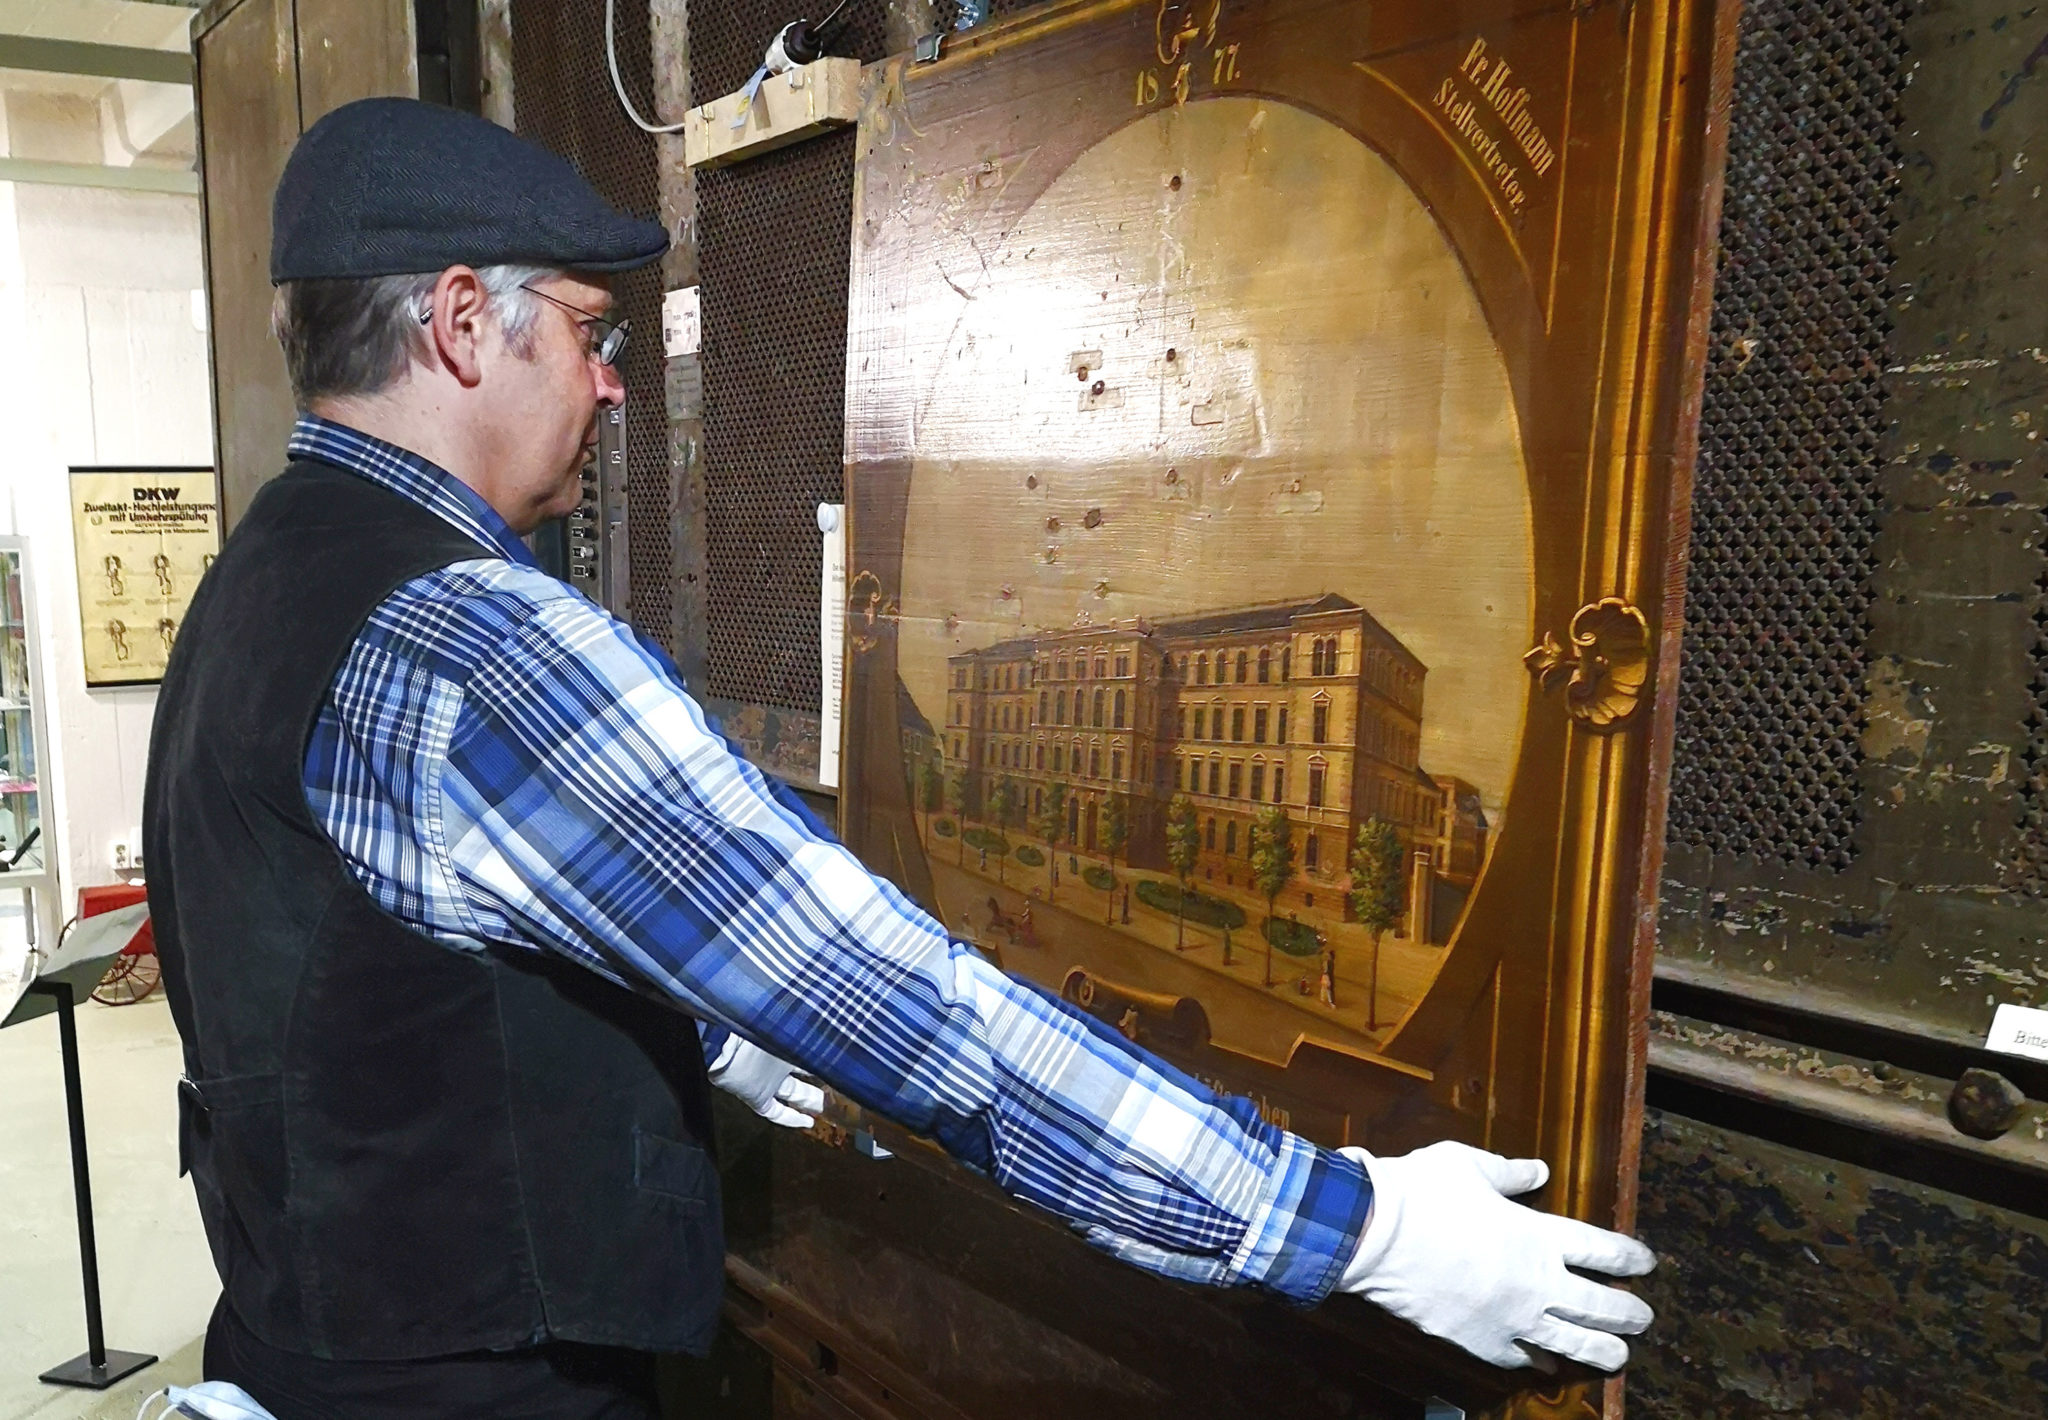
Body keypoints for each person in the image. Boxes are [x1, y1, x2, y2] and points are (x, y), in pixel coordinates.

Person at [145, 98, 1654, 1420]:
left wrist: (692, 1042)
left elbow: (362, 981)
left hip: (305, 1344)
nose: (613, 386)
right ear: (465, 322)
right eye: (595, 336)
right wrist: (1358, 1229)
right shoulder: (476, 647)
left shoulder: (267, 577)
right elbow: (918, 1017)